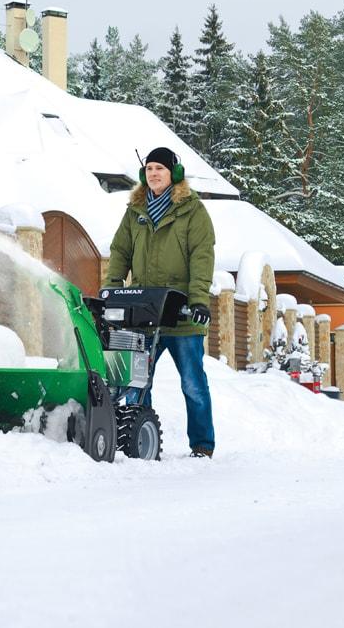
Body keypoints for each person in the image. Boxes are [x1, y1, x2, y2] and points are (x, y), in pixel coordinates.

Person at [105, 147, 217, 458]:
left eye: (160, 168)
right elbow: (120, 252)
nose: (154, 173)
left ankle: (202, 445)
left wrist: (198, 300)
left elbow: (202, 256)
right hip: (142, 309)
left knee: (193, 384)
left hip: (181, 312)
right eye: (150, 168)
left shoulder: (192, 210)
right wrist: (111, 290)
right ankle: (140, 438)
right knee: (137, 381)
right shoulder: (135, 210)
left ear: (174, 174)